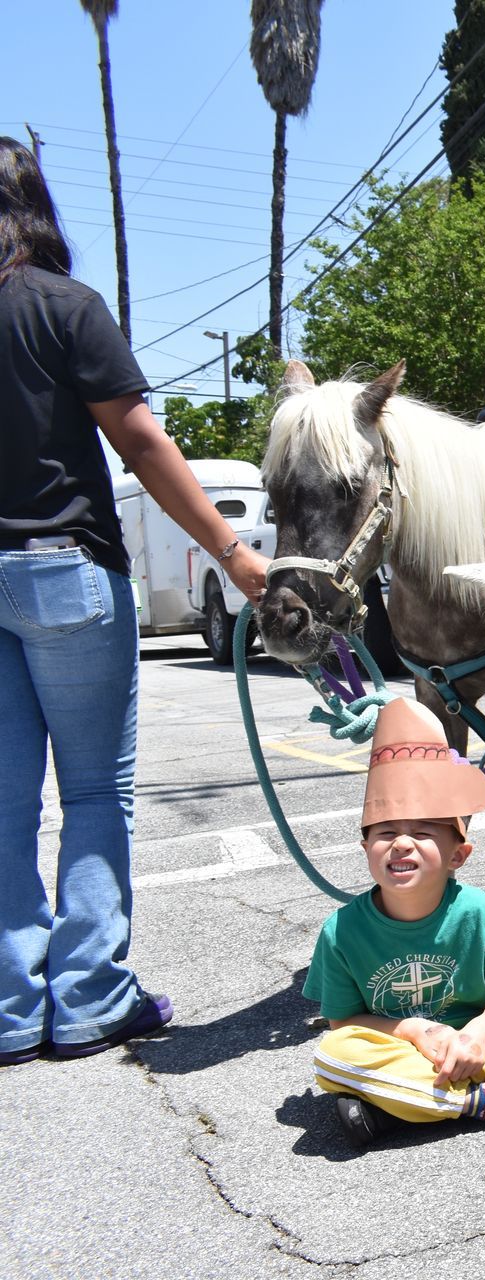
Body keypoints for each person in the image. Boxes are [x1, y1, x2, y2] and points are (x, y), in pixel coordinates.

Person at [0, 136, 270, 1067]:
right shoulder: (64, 308)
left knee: (1, 803)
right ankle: (86, 998)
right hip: (64, 568)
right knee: (90, 790)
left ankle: (7, 1005)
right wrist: (231, 551)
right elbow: (142, 446)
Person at [304, 699, 485, 1147]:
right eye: (384, 833)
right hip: (404, 1049)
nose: (400, 844)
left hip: (478, 1045)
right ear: (366, 850)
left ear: (458, 855)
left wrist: (473, 1037)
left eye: (421, 833)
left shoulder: (476, 910)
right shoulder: (341, 931)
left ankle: (399, 1106)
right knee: (333, 1056)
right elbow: (343, 1023)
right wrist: (415, 1030)